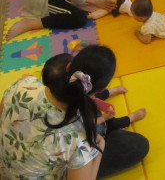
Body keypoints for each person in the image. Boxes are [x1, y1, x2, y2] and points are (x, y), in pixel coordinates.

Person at [0, 45, 149, 179]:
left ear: (69, 66)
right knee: (137, 144)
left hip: (5, 164)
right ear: (99, 90)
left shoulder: (25, 83)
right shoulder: (78, 141)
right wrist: (100, 147)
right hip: (47, 168)